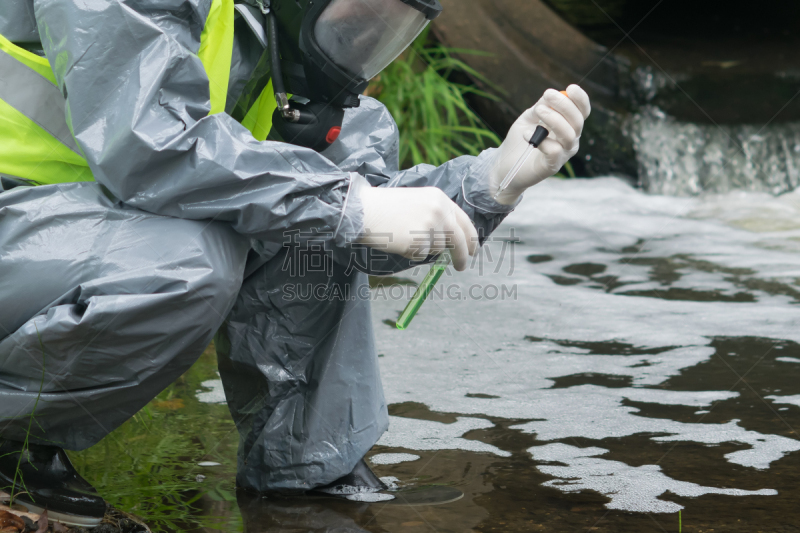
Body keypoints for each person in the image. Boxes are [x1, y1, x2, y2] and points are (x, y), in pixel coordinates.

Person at [0, 0, 591, 526]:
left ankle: (303, 474)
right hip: (14, 208)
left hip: (65, 232)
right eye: (359, 16)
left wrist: (494, 180)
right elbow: (151, 147)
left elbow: (366, 222)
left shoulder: (276, 52)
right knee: (193, 259)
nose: (363, 45)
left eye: (390, 28)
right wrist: (349, 205)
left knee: (309, 213)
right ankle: (11, 445)